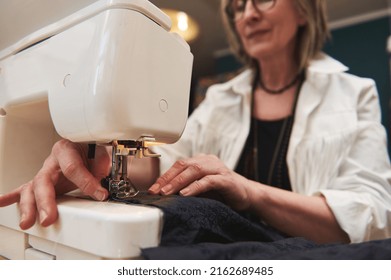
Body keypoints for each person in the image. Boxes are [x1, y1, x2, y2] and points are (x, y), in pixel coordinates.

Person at [1, 0, 391, 244]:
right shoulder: (222, 99)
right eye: (237, 7)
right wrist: (103, 159)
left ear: (304, 9)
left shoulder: (354, 92)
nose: (248, 13)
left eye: (263, 0)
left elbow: (371, 214)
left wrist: (250, 192)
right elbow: (168, 160)